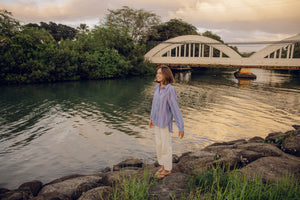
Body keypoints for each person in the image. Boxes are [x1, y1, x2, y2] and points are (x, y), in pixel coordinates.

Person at [149, 65, 184, 179]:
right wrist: (151, 119)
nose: (158, 75)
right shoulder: (156, 88)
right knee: (159, 145)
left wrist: (181, 127)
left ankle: (167, 169)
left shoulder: (170, 89)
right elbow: (154, 105)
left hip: (165, 123)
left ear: (166, 75)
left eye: (160, 73)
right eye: (157, 73)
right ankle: (163, 165)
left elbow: (175, 108)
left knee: (166, 146)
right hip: (156, 122)